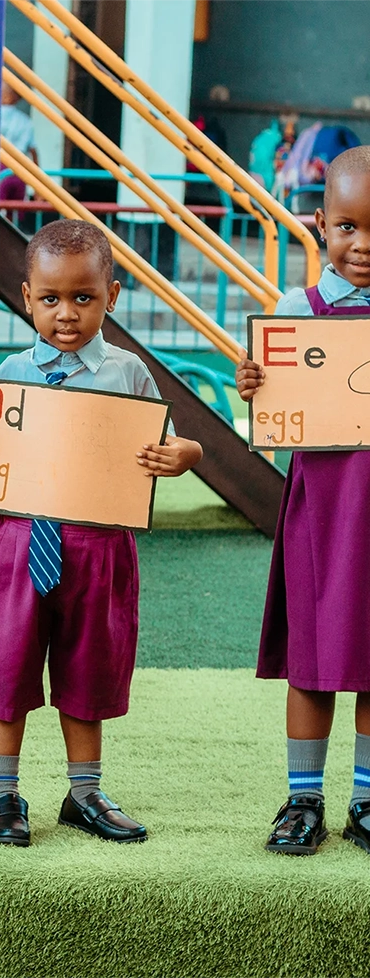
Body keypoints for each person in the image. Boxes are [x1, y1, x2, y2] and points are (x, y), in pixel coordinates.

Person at [0, 219, 202, 847]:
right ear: (26, 297)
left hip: (99, 545)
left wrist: (183, 453)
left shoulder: (129, 373)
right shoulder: (12, 369)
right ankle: (1, 797)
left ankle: (84, 793)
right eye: (51, 298)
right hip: (21, 541)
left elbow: (170, 441)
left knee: (91, 667)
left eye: (83, 298)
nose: (66, 314)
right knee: (7, 667)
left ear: (111, 296)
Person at [237, 144, 370, 856]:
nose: (363, 245)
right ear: (321, 224)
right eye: (349, 226)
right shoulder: (298, 311)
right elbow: (267, 407)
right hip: (323, 508)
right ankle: (303, 799)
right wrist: (254, 385)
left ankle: (367, 801)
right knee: (315, 658)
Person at [0, 82, 38, 204]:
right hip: (19, 169)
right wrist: (38, 186)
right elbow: (33, 151)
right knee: (16, 209)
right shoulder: (25, 121)